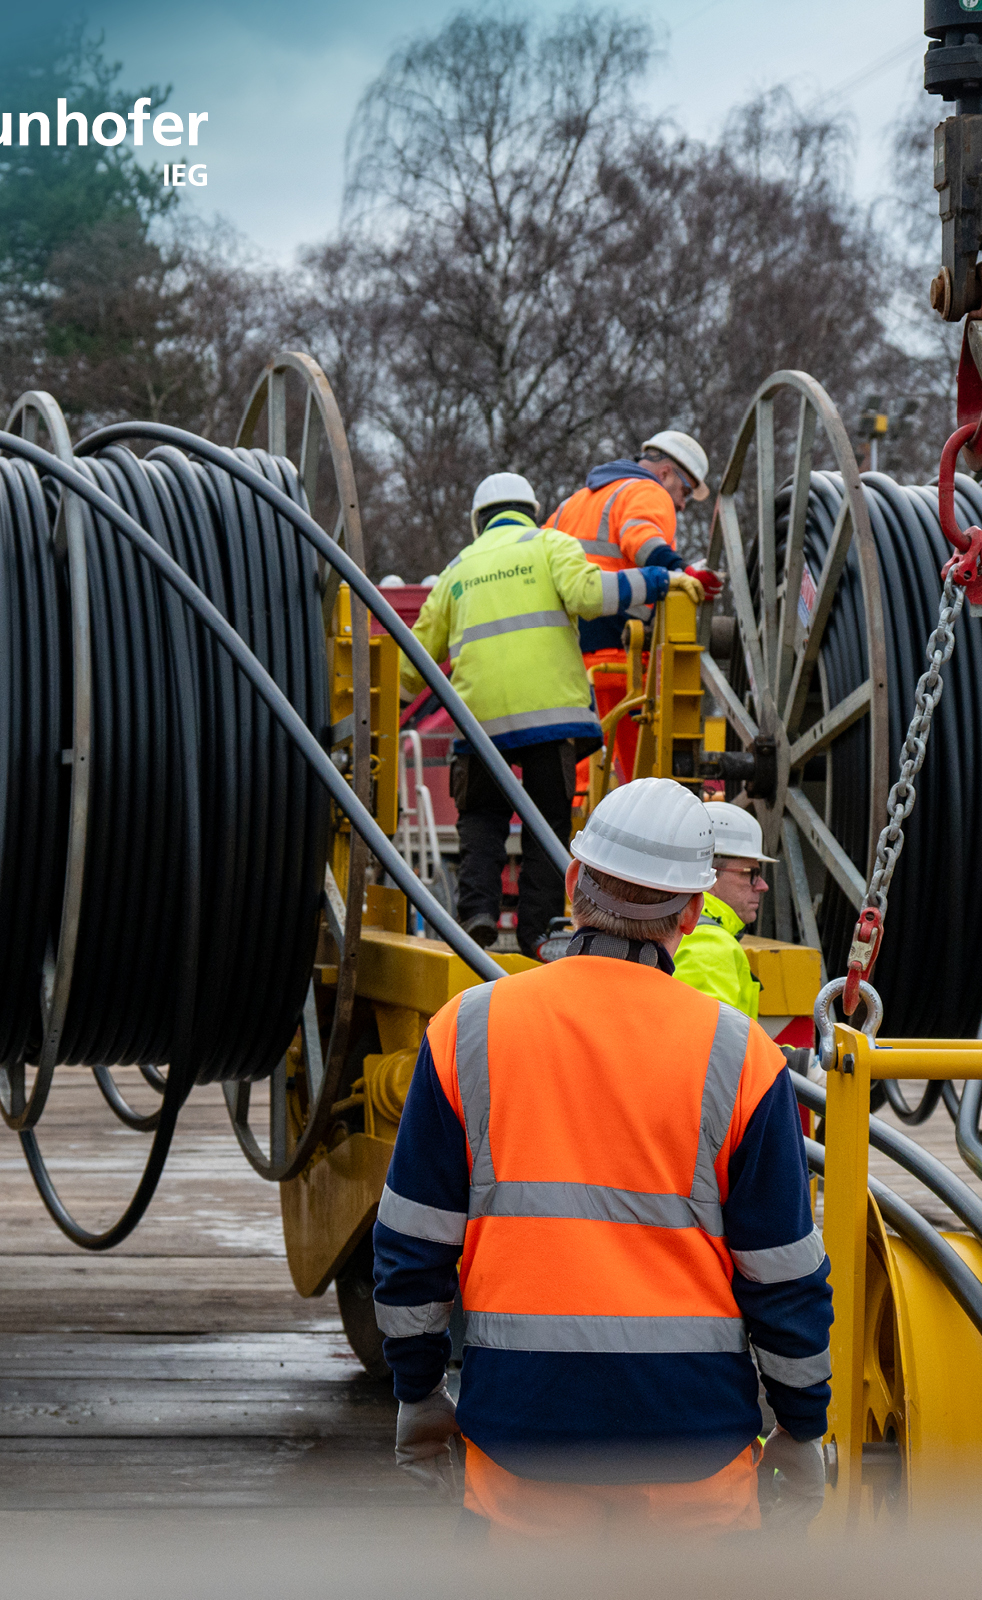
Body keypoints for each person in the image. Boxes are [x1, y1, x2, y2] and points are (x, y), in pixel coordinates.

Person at [371, 777, 833, 1537]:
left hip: (520, 1452)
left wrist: (419, 1393)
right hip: (695, 1459)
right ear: (691, 913)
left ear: (577, 881)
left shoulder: (468, 1032)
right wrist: (801, 1424)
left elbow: (410, 1247)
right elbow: (783, 1274)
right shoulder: (740, 1056)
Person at [401, 474, 704, 960]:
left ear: (479, 520)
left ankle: (477, 913)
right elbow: (590, 594)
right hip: (552, 722)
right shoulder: (549, 544)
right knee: (547, 825)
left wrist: (375, 706)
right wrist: (661, 580)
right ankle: (536, 935)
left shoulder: (458, 570)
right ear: (530, 509)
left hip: (480, 727)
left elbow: (412, 664)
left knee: (481, 819)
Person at [545, 433, 723, 781]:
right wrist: (684, 572)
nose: (682, 505)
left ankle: (569, 834)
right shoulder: (648, 491)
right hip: (622, 657)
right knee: (644, 777)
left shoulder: (571, 504)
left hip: (569, 660)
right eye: (685, 492)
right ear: (668, 473)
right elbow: (640, 537)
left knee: (579, 774)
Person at [673, 802, 776, 1019]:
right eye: (750, 873)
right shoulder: (709, 945)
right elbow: (714, 1045)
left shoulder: (681, 927)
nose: (762, 885)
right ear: (708, 873)